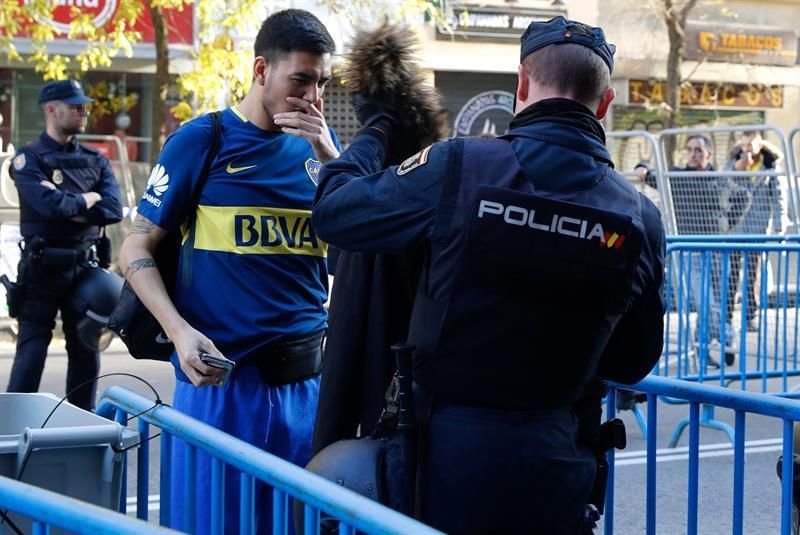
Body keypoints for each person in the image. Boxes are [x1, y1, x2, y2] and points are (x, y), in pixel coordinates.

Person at [312, 16, 665, 533]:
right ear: (605, 104)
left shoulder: (458, 165)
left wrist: (375, 129)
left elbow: (336, 215)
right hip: (556, 471)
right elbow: (634, 360)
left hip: (440, 468)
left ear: (521, 83)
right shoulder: (639, 216)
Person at [118, 9, 339, 533]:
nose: (313, 97)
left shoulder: (326, 160)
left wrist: (335, 161)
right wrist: (178, 332)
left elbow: (359, 260)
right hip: (219, 384)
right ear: (261, 70)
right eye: (301, 79)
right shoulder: (204, 140)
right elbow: (134, 249)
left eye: (323, 82)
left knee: (295, 524)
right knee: (208, 521)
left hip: (305, 388)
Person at [6, 79, 123, 411]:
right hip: (42, 269)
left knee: (86, 353)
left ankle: (79, 427)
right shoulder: (28, 159)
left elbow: (112, 210)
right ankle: (13, 431)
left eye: (83, 104)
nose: (83, 111)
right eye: (74, 105)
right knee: (31, 352)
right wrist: (90, 198)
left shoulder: (95, 160)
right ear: (50, 109)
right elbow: (50, 207)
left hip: (84, 268)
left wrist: (69, 203)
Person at [669, 135, 749, 366]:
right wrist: (642, 168)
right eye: (691, 150)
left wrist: (726, 224)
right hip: (689, 251)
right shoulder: (677, 177)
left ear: (709, 155)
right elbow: (652, 175)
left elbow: (745, 197)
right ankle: (727, 337)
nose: (694, 155)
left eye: (699, 151)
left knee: (715, 301)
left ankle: (702, 352)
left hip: (716, 249)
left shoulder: (719, 179)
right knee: (706, 301)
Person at [724, 131, 783, 332]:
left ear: (760, 143)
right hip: (735, 226)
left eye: (751, 143)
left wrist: (779, 224)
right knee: (731, 274)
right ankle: (727, 317)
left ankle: (750, 317)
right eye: (745, 143)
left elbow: (778, 195)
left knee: (753, 273)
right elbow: (720, 184)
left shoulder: (770, 164)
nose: (747, 147)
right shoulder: (733, 161)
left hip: (758, 227)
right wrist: (735, 169)